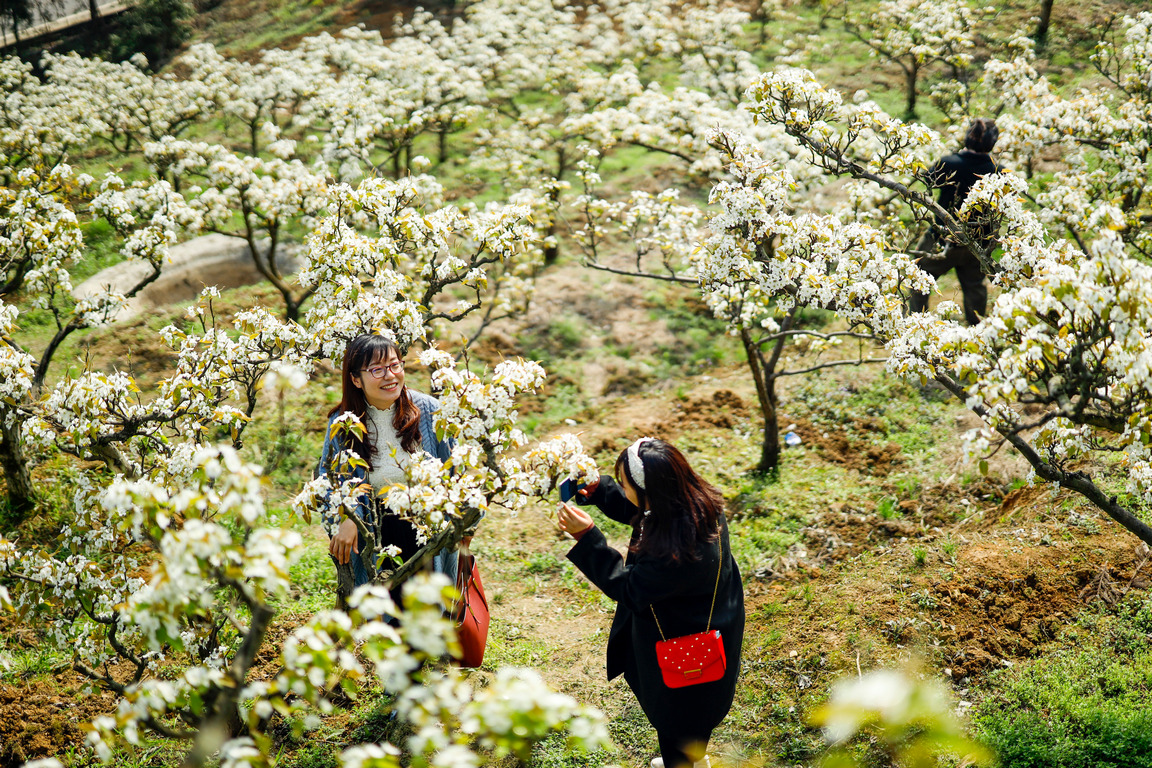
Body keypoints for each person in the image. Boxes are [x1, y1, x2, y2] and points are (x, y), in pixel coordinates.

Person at [556, 438, 745, 768]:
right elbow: (640, 509)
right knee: (688, 728)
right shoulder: (694, 503)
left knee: (680, 725)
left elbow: (629, 588)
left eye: (624, 483)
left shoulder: (680, 553)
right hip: (706, 624)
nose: (624, 489)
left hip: (687, 651)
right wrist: (601, 490)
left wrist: (589, 540)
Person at [317, 333, 458, 599]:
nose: (390, 375)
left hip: (425, 528)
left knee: (428, 617)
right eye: (377, 370)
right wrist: (346, 518)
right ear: (356, 379)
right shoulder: (342, 422)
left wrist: (462, 526)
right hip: (374, 528)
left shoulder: (429, 411)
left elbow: (458, 471)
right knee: (382, 621)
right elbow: (328, 479)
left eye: (395, 365)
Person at [909, 118, 1003, 326]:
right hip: (978, 242)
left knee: (918, 277)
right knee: (975, 285)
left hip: (942, 237)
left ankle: (916, 323)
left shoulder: (950, 163)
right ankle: (977, 328)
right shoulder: (998, 170)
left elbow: (927, 179)